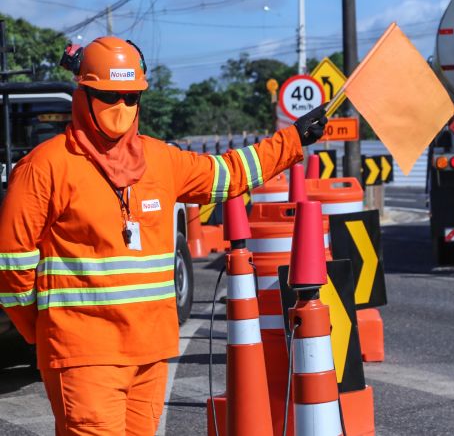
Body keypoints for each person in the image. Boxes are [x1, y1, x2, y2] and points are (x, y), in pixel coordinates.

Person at [0, 36, 327, 435]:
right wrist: (45, 333)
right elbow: (12, 266)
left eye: (130, 97)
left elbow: (228, 174)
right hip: (83, 355)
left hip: (150, 353)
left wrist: (292, 140)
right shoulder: (44, 168)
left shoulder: (160, 160)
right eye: (109, 96)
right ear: (83, 94)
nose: (121, 108)